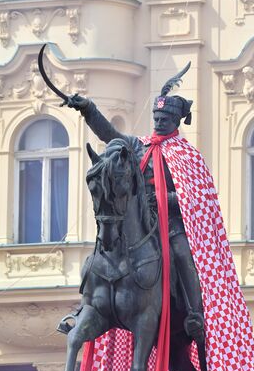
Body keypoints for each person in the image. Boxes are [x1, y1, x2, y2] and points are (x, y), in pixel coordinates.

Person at [66, 69, 205, 346]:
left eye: (164, 119)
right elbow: (110, 134)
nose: (158, 123)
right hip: (138, 225)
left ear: (177, 121)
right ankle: (88, 306)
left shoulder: (186, 155)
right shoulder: (137, 146)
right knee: (102, 252)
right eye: (156, 118)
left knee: (179, 251)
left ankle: (194, 314)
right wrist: (88, 109)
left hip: (171, 225)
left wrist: (162, 199)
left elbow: (194, 197)